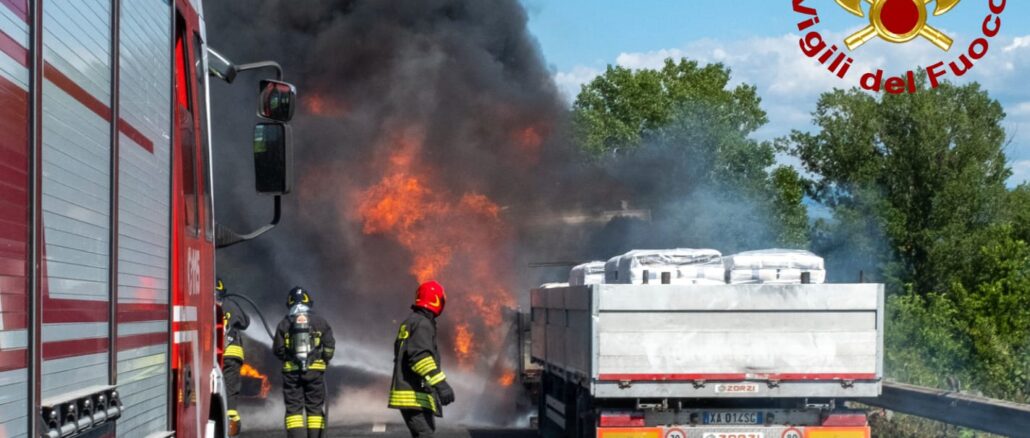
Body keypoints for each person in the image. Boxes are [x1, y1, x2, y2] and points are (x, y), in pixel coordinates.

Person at [388, 280, 456, 437]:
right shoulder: (422, 324)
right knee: (425, 434)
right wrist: (441, 385)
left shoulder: (410, 322)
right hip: (413, 393)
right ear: (436, 300)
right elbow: (420, 358)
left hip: (409, 392)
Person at [273, 287, 336, 438]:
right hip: (315, 372)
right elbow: (329, 346)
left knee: (294, 410)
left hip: (291, 373)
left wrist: (289, 359)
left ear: (289, 303)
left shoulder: (284, 324)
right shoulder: (320, 322)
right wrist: (324, 361)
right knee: (314, 408)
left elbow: (278, 350)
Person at [217, 278, 250, 435]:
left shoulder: (201, 303)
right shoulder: (229, 304)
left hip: (212, 355)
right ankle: (230, 430)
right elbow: (245, 322)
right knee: (230, 391)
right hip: (232, 354)